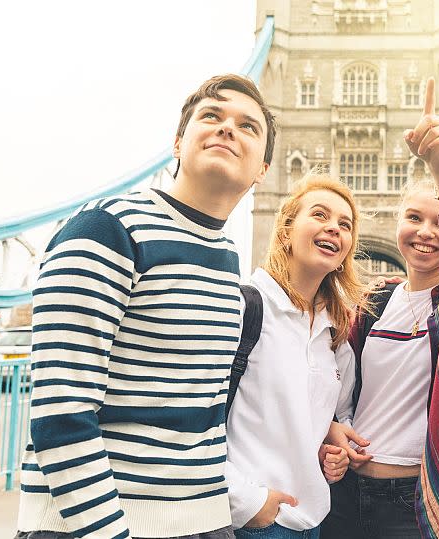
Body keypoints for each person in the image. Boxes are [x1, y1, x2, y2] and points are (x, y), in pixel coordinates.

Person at [16, 73, 275, 539]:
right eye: (211, 116)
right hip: (98, 526)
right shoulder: (107, 230)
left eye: (248, 126)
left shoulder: (226, 258)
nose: (227, 128)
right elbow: (61, 409)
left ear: (263, 170)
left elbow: (204, 414)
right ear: (178, 143)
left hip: (204, 523)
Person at [322, 78, 439, 539]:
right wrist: (330, 429)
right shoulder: (368, 305)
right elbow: (320, 380)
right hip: (342, 495)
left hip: (413, 505)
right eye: (413, 218)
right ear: (395, 223)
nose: (427, 231)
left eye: (438, 221)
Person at [225, 172, 366, 539]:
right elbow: (193, 418)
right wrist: (246, 501)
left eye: (344, 224)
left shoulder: (334, 334)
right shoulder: (244, 308)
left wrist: (326, 446)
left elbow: (333, 415)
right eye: (320, 215)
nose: (334, 228)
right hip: (250, 521)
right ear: (286, 231)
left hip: (312, 521)